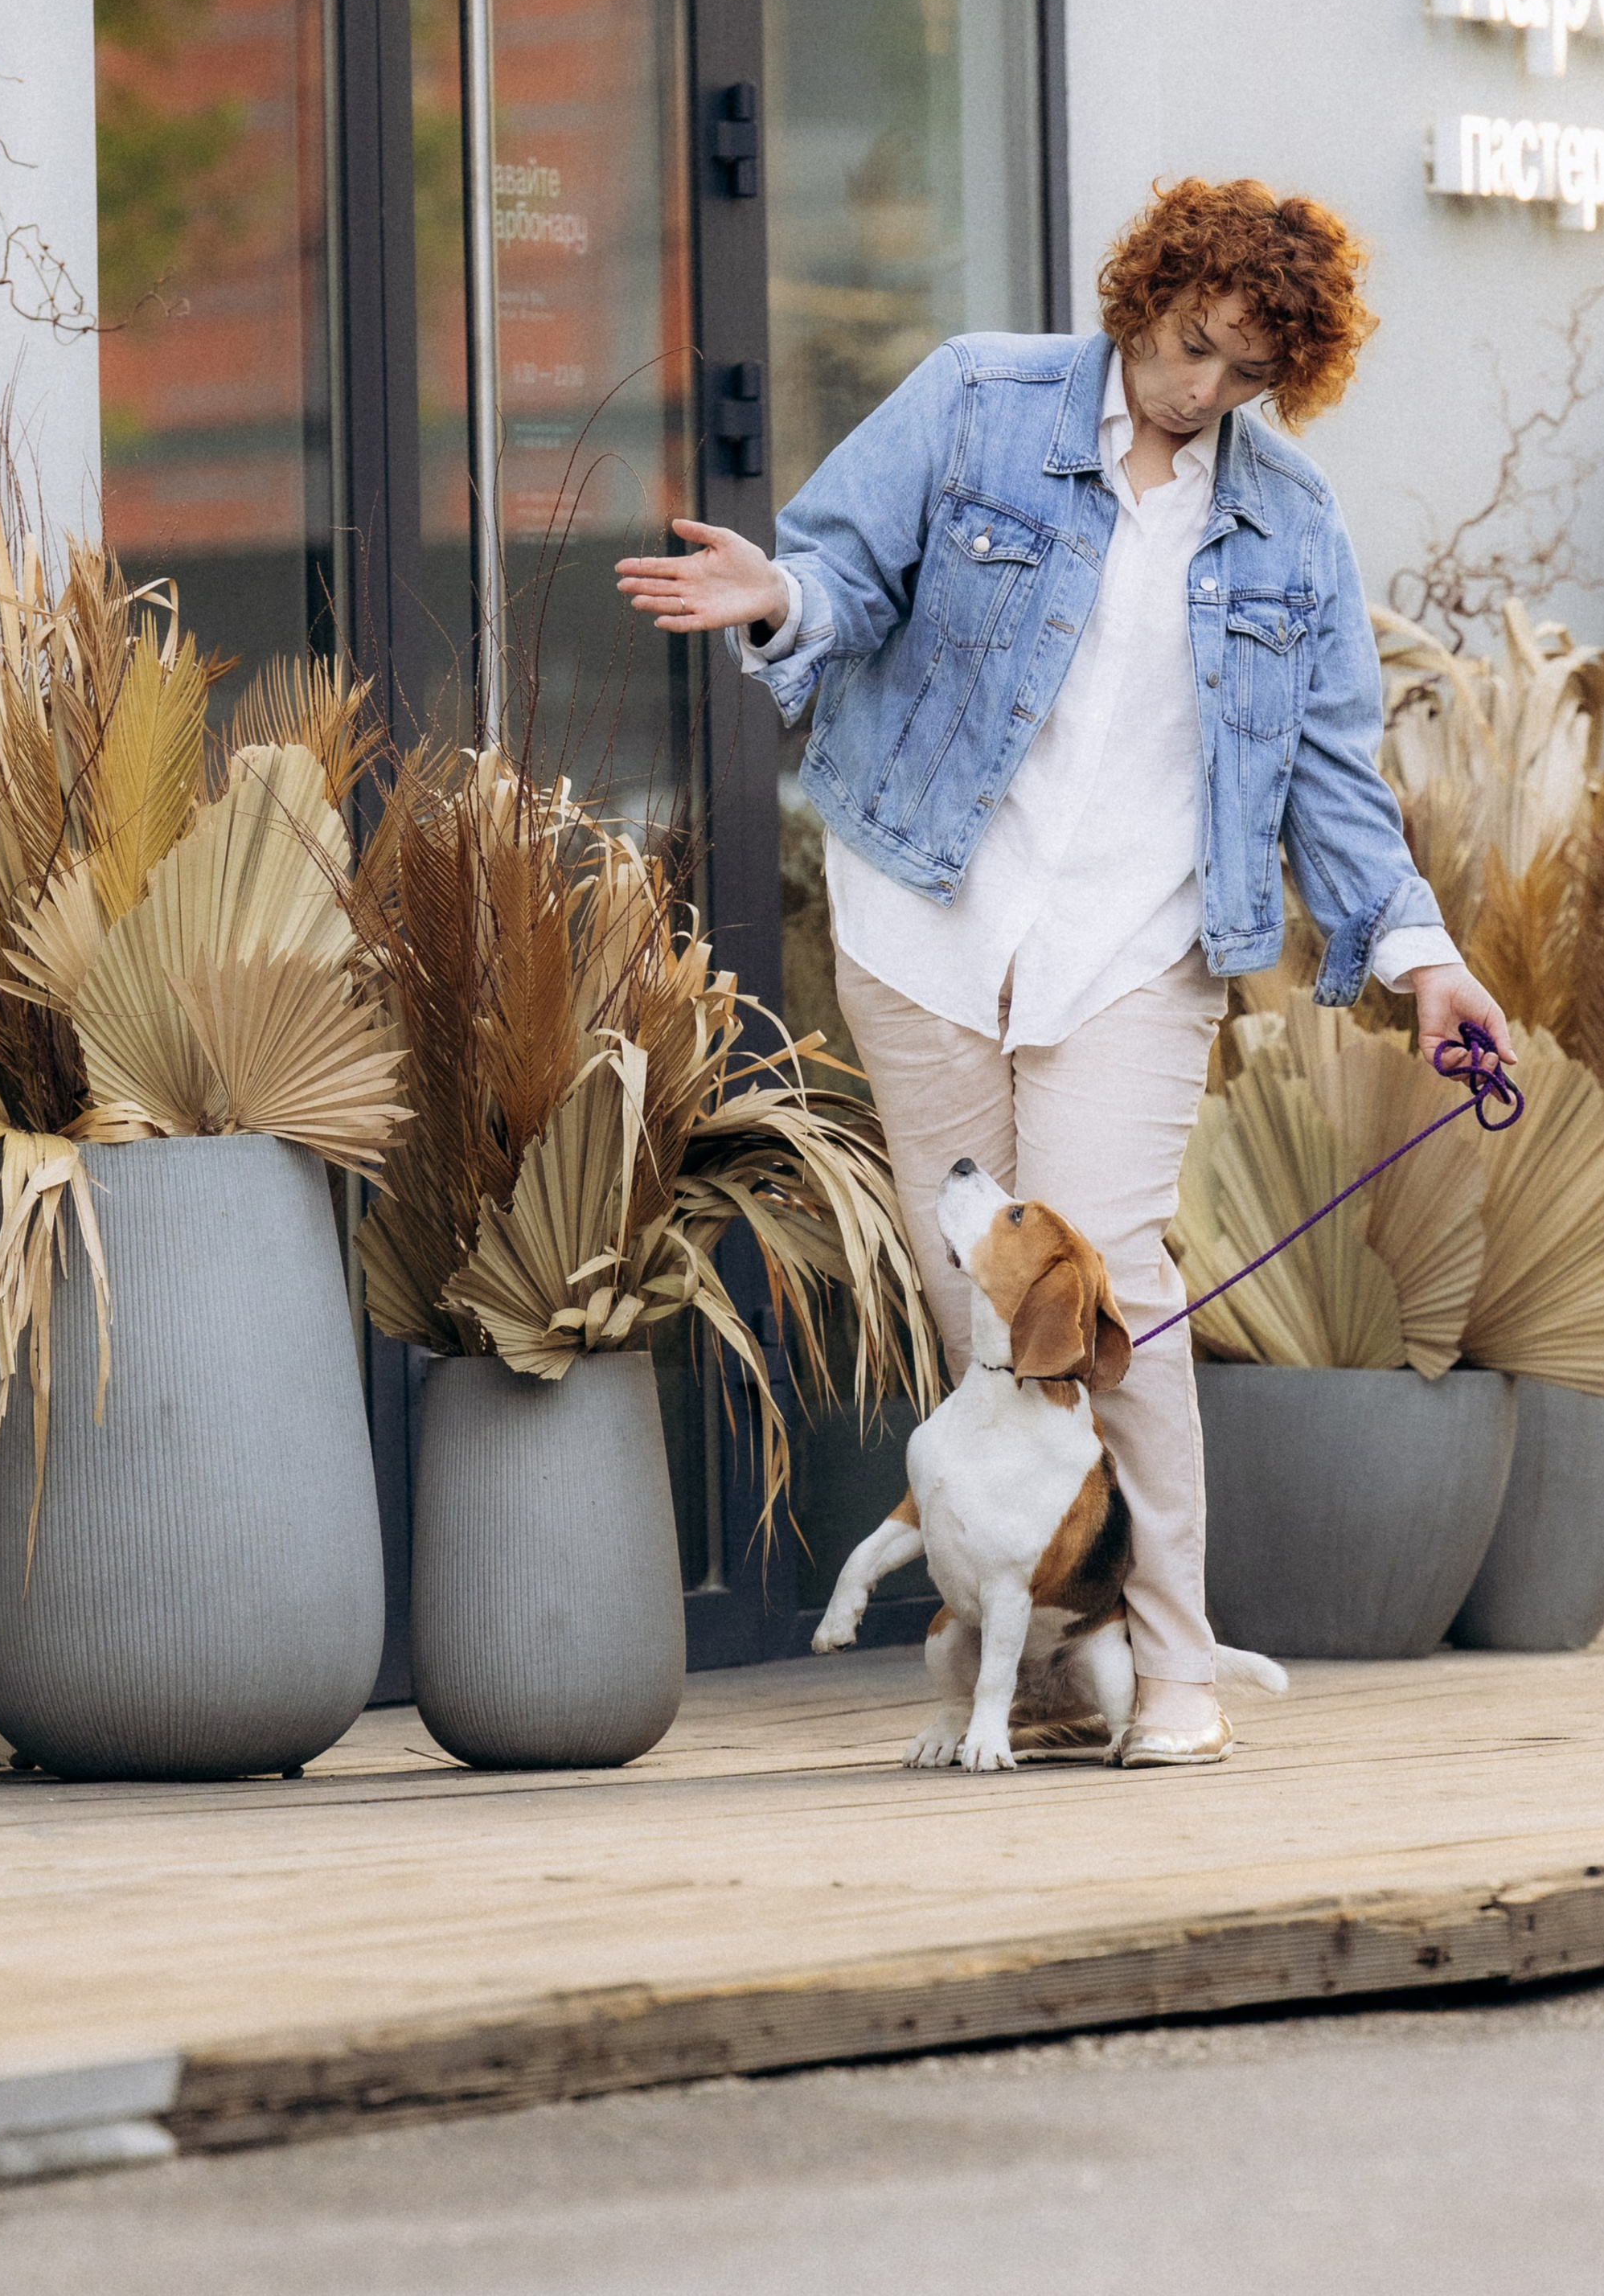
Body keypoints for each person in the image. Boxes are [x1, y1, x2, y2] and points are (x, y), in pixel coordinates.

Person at [617, 177, 1510, 1767]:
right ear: (1141, 298)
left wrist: (1420, 957)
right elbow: (841, 573)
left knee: (1116, 1298)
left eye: (1247, 373)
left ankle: (1171, 1667)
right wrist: (781, 598)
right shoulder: (977, 397)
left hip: (1135, 945)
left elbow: (1330, 773)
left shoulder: (1289, 520)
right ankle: (1025, 1662)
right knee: (982, 1307)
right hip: (928, 914)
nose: (1204, 390)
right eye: (1189, 346)